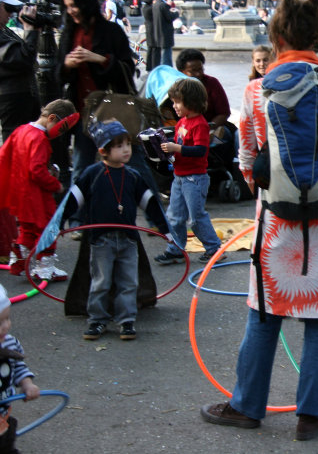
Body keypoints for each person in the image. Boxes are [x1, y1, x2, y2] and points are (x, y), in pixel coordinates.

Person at [201, 0, 318, 441]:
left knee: (264, 315)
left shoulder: (256, 92)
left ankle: (246, 405)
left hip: (276, 221)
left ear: (275, 39)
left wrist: (270, 191)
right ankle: (311, 416)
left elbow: (247, 160)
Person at [62, 120, 170, 340]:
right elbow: (72, 201)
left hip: (128, 240)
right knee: (100, 282)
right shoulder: (92, 174)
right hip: (101, 240)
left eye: (128, 145)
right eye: (119, 146)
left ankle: (126, 320)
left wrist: (165, 230)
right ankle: (97, 321)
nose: (126, 150)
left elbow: (150, 203)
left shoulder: (133, 176)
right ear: (104, 150)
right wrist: (58, 225)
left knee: (128, 282)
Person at [56, 0, 135, 191]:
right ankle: (75, 217)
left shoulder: (111, 31)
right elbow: (57, 73)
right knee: (81, 168)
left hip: (113, 112)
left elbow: (128, 67)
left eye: (74, 5)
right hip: (83, 112)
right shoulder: (69, 34)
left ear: (85, 4)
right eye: (67, 7)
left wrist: (100, 59)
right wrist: (66, 65)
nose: (71, 11)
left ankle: (156, 218)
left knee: (134, 165)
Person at [0, 99, 76, 280]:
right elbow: (36, 170)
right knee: (48, 229)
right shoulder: (39, 138)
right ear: (52, 118)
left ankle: (19, 259)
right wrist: (54, 183)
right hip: (37, 195)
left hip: (19, 192)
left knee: (27, 228)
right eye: (62, 128)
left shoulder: (21, 131)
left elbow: (4, 155)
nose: (60, 134)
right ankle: (45, 268)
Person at [154, 79, 223, 265]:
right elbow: (179, 148)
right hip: (179, 176)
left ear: (191, 102)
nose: (174, 106)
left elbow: (200, 150)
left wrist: (175, 148)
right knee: (174, 216)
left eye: (177, 102)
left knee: (196, 217)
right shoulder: (181, 123)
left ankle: (214, 248)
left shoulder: (199, 124)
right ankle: (176, 249)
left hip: (195, 179)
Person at [0, 284, 40, 452]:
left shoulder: (9, 342)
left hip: (3, 412)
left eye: (7, 318)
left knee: (6, 441)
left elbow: (18, 366)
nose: (6, 326)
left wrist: (26, 384)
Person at [0, 0, 43, 143]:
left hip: (22, 97)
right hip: (11, 100)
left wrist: (35, 30)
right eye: (8, 8)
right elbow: (22, 59)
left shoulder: (4, 30)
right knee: (15, 146)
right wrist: (30, 30)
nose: (11, 13)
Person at [175, 49, 231, 126]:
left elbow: (223, 113)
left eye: (200, 69)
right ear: (181, 72)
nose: (198, 74)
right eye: (193, 71)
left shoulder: (212, 83)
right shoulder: (176, 87)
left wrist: (207, 128)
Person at [153, 0, 178, 67]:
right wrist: (176, 13)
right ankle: (167, 69)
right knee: (166, 55)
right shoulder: (164, 5)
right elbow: (169, 17)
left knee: (163, 54)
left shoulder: (156, 4)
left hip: (158, 31)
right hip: (165, 32)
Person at [141, 0, 159, 71]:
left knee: (150, 48)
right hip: (152, 29)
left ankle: (149, 66)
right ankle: (154, 65)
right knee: (154, 48)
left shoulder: (145, 8)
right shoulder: (150, 8)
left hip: (148, 29)